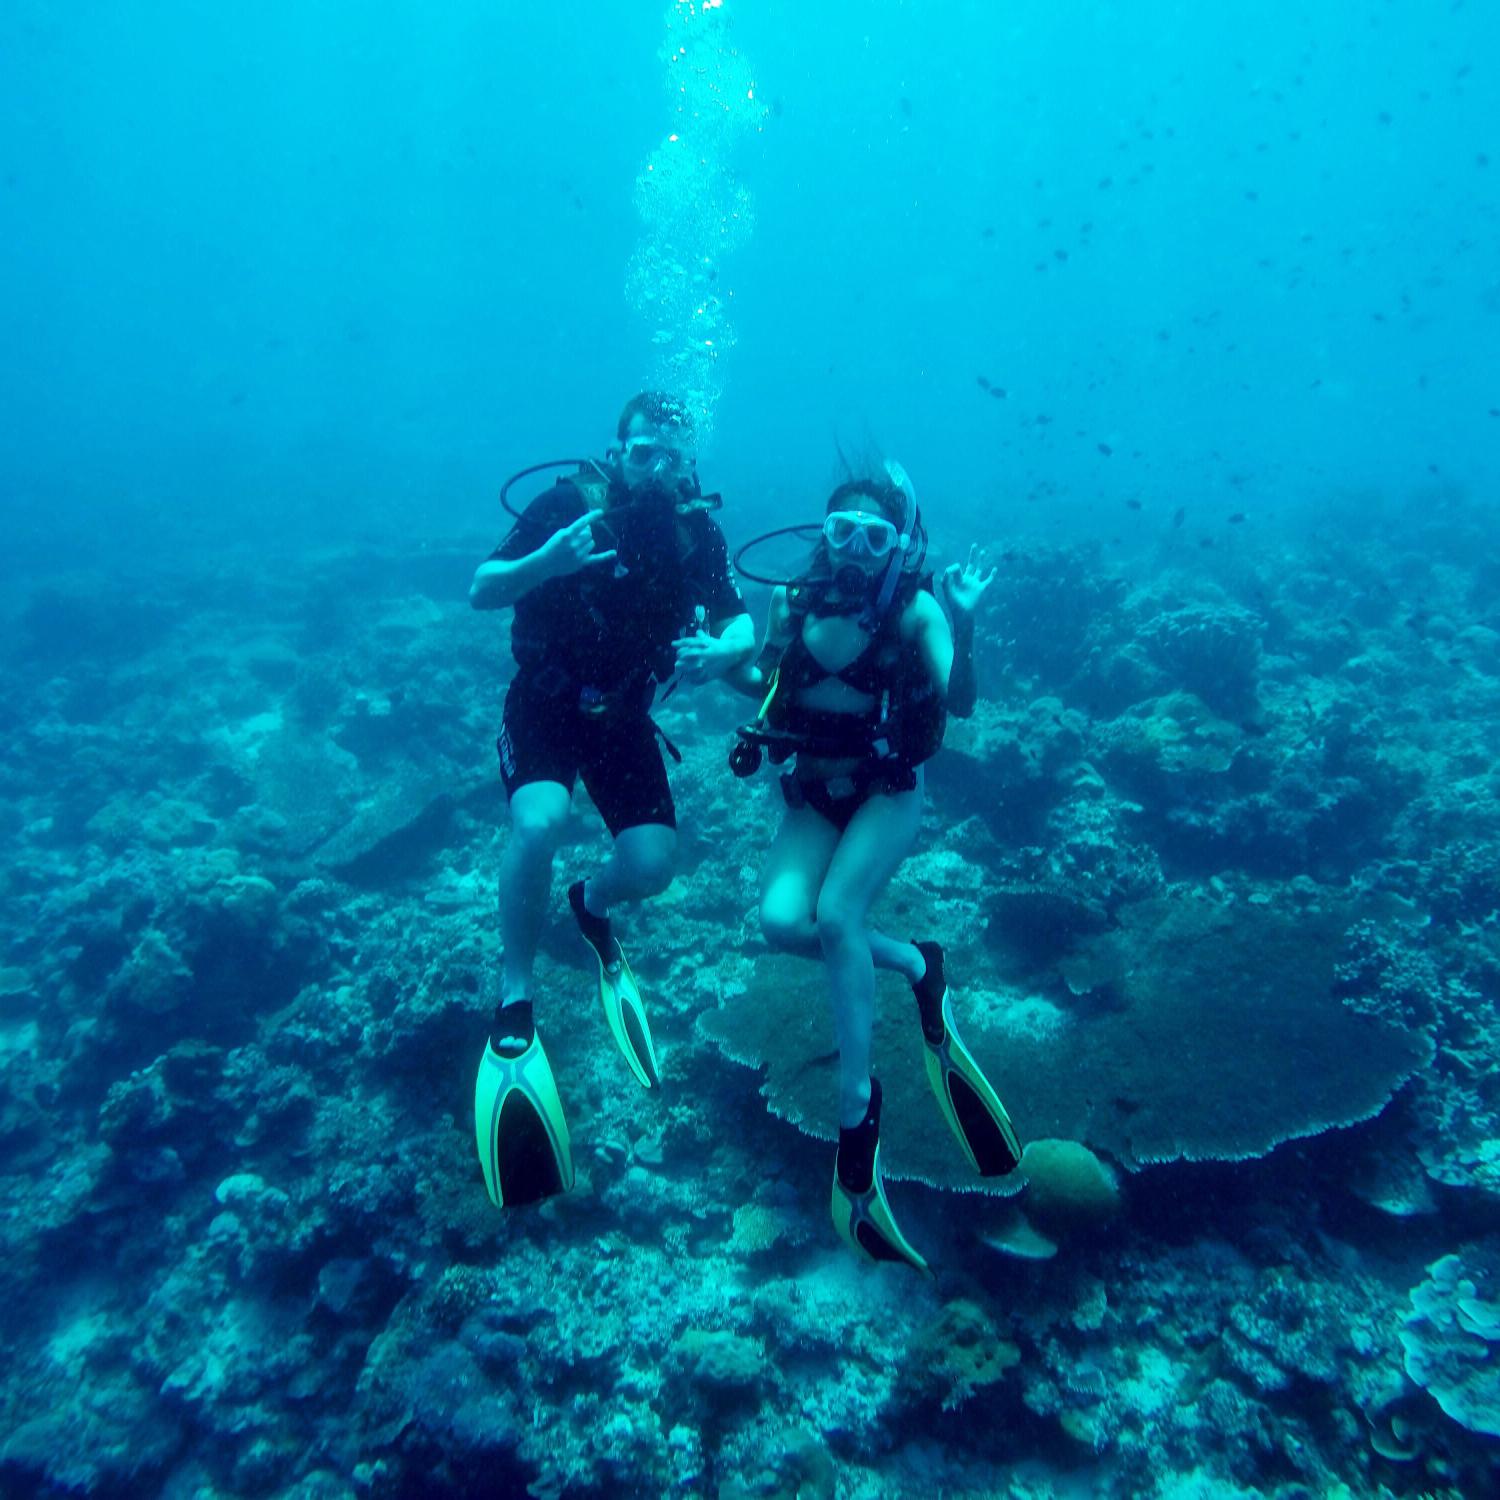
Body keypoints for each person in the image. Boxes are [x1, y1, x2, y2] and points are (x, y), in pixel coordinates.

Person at [730, 461, 1021, 1271]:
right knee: (783, 922)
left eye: (875, 538)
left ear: (898, 544)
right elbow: (761, 684)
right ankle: (918, 964)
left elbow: (958, 699)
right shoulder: (788, 601)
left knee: (835, 917)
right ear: (821, 537)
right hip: (813, 795)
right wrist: (715, 662)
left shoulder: (915, 609)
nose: (857, 552)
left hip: (888, 793)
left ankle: (859, 1110)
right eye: (842, 534)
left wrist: (964, 620)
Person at [470, 391, 754, 1209]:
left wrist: (720, 651)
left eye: (672, 457)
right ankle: (514, 991)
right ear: (616, 451)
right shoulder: (568, 506)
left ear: (687, 462)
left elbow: (740, 625)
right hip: (547, 705)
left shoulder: (695, 530)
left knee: (654, 867)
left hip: (624, 718)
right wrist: (546, 564)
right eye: (642, 454)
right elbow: (483, 588)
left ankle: (587, 905)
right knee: (542, 821)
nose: (657, 470)